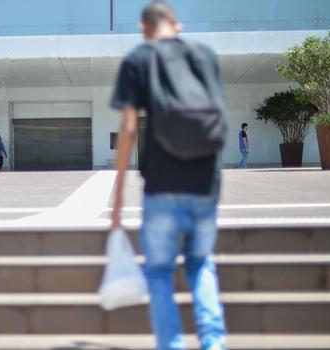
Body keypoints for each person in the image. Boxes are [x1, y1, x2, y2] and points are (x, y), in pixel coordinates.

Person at [110, 2, 227, 350]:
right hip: (206, 181)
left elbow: (129, 128)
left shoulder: (138, 59)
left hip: (161, 185)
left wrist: (118, 198)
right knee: (201, 264)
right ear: (176, 26)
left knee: (160, 273)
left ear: (143, 29)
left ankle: (172, 346)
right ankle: (214, 344)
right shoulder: (205, 54)